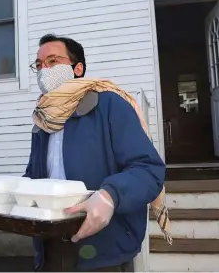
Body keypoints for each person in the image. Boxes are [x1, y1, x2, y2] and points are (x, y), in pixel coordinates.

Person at [24, 34, 171, 272]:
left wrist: (110, 196)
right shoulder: (43, 119)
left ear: (78, 68)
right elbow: (34, 176)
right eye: (39, 65)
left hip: (105, 250)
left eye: (53, 61)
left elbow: (149, 170)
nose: (44, 70)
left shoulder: (109, 105)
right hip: (51, 248)